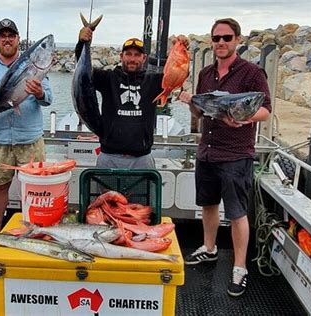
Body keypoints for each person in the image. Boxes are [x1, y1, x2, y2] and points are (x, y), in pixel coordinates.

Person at [179, 18, 271, 297]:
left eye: (227, 38)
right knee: (207, 204)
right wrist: (189, 102)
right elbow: (200, 113)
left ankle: (240, 268)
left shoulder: (252, 73)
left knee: (236, 213)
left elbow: (265, 109)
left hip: (235, 154)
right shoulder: (206, 73)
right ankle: (209, 248)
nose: (221, 42)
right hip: (207, 149)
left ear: (238, 40)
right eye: (216, 38)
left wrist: (243, 120)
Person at [0, 18, 53, 234]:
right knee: (0, 187)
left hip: (29, 140)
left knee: (35, 190)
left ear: (18, 39)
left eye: (11, 36)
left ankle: (35, 230)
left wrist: (39, 93)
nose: (7, 39)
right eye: (2, 36)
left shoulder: (35, 67)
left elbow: (49, 99)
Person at [76, 27, 188, 169]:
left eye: (137, 55)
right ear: (121, 56)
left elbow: (181, 72)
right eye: (128, 54)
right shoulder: (108, 78)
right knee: (106, 193)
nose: (132, 59)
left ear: (144, 58)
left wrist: (182, 46)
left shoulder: (154, 81)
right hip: (109, 157)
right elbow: (82, 70)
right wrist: (82, 43)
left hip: (142, 159)